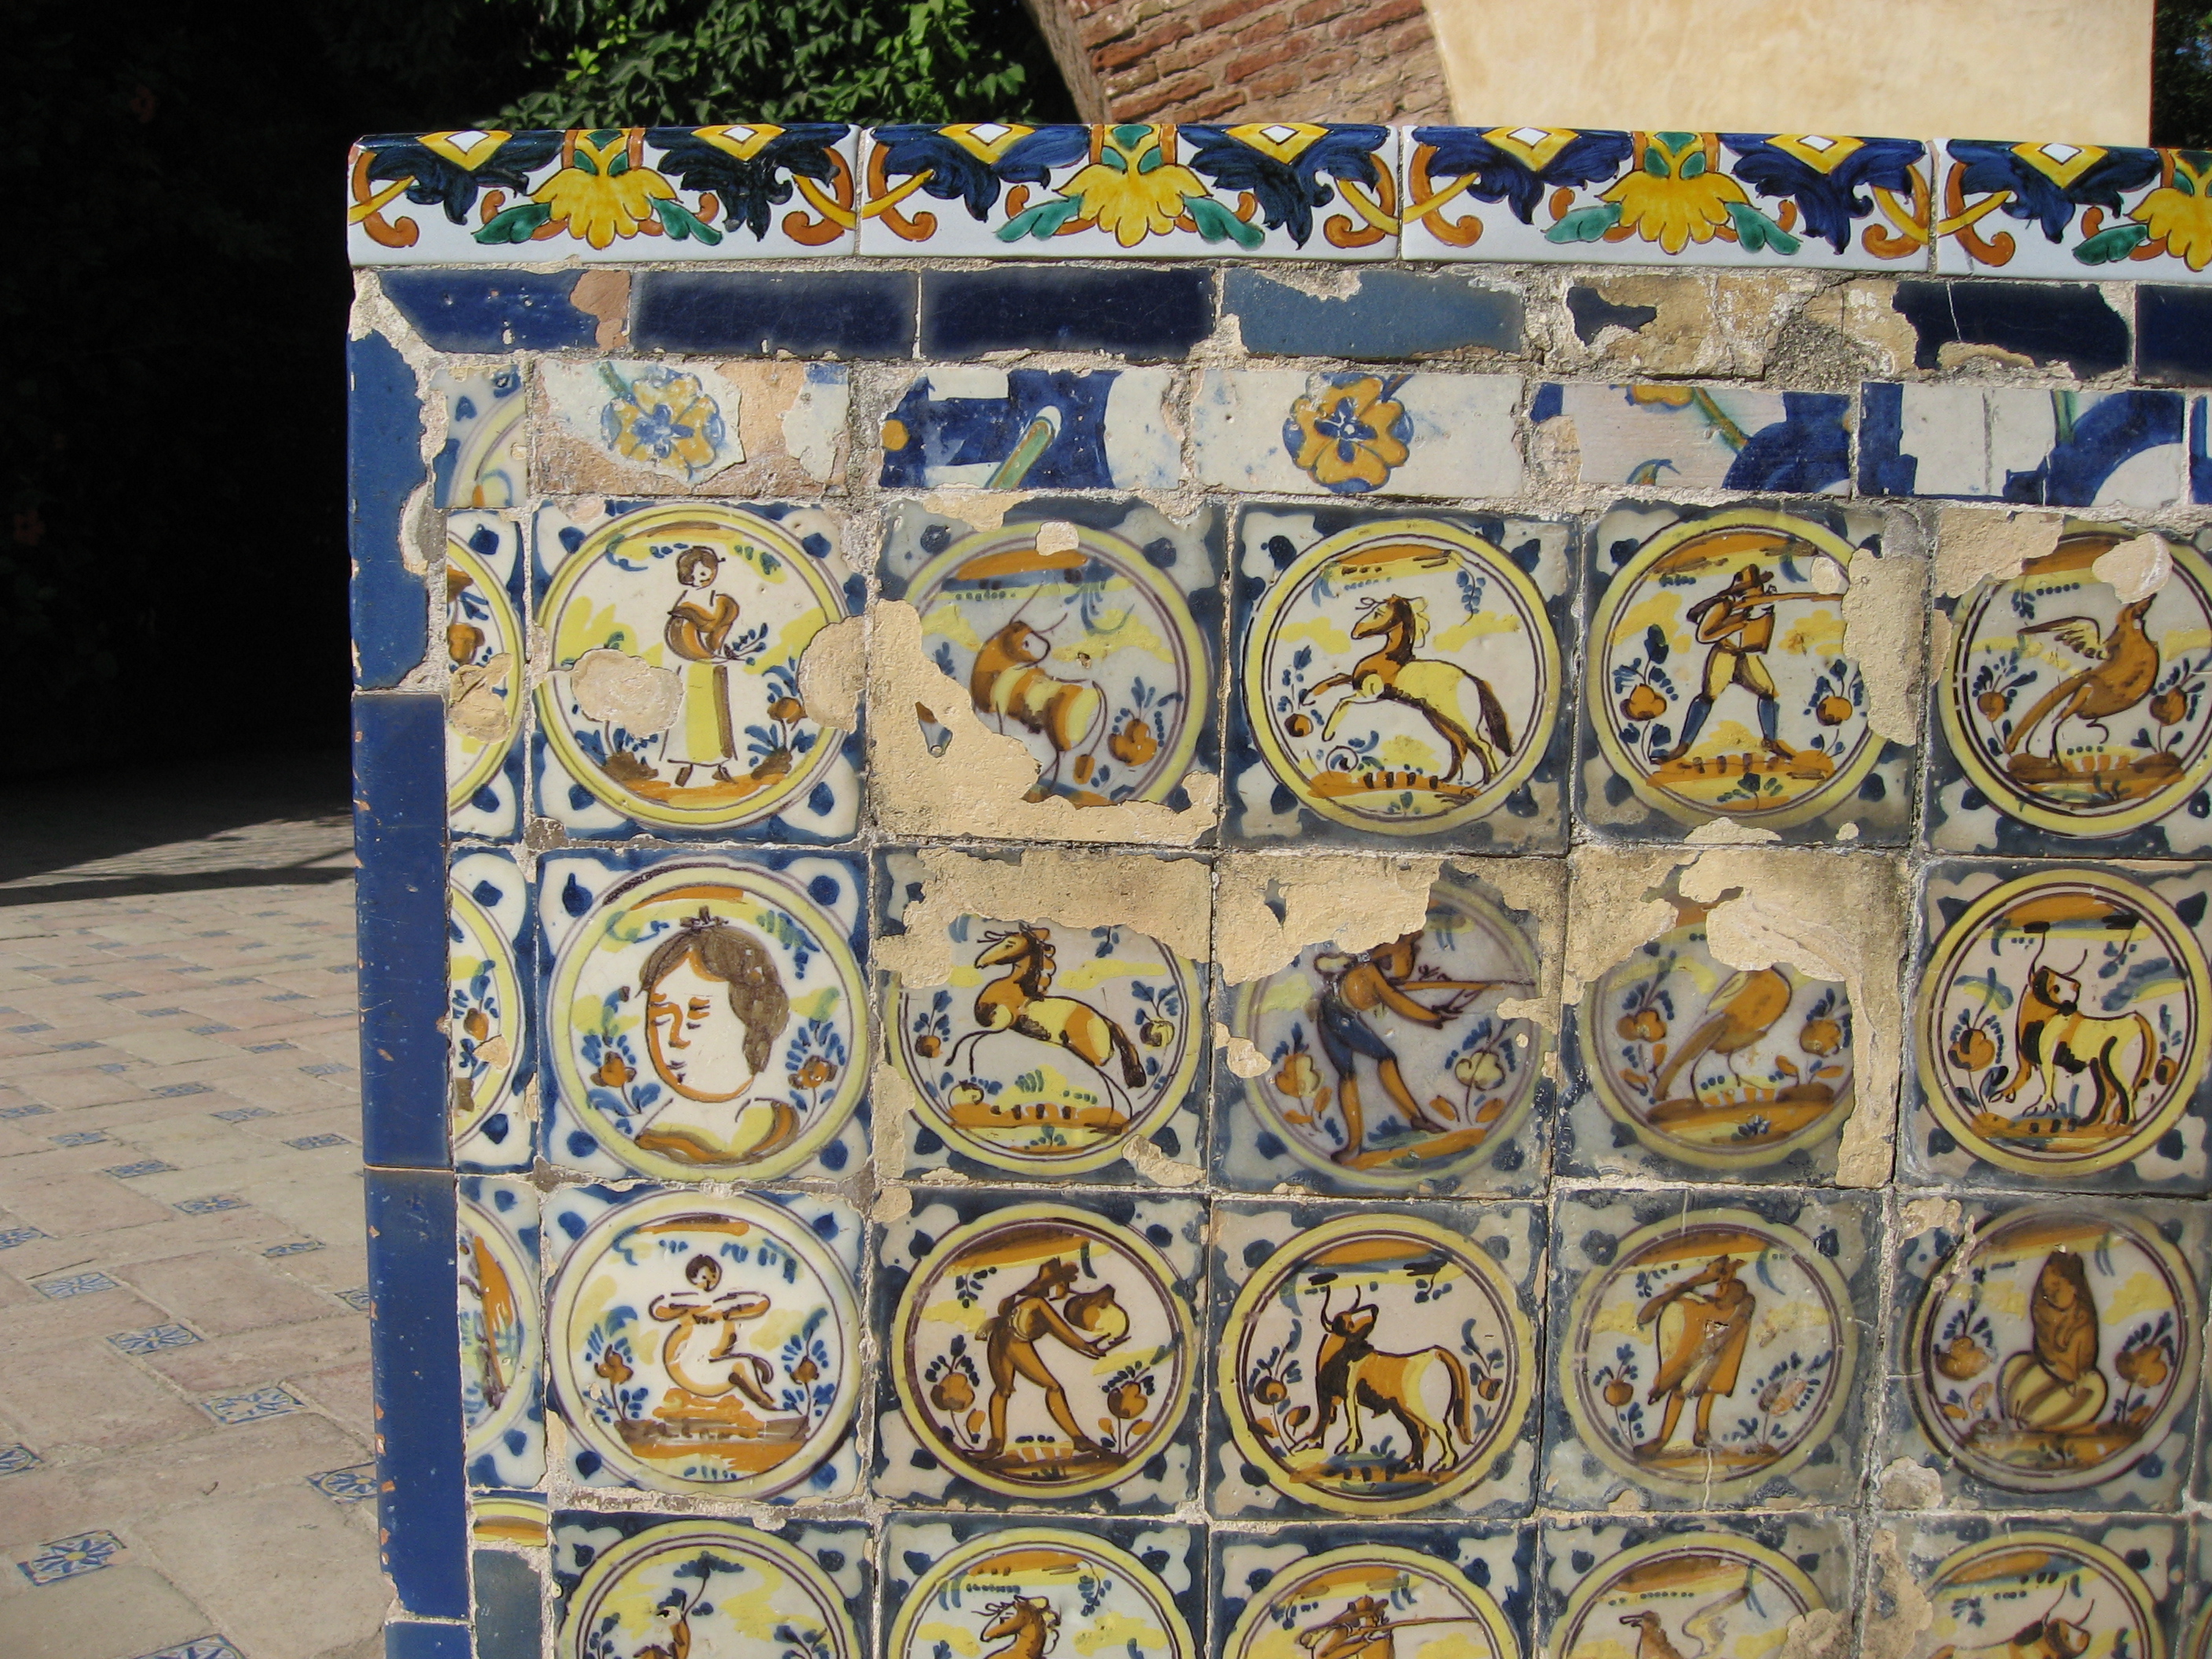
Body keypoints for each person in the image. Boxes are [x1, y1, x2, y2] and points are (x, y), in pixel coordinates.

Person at [632, 910, 800, 1166]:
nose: (676, 1037)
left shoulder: (780, 1121)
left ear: (757, 1013)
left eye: (696, 1015)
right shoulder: (658, 1141)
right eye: (660, 1019)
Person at [979, 1258, 1125, 1461]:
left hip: (999, 1338)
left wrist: (1086, 1347)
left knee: (1002, 1391)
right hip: (1013, 1341)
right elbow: (1062, 1332)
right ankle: (1079, 1439)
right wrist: (1087, 1347)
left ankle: (995, 1445)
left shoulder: (1023, 1300)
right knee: (1053, 1387)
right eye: (1063, 1284)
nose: (1065, 1289)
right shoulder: (1038, 1305)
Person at [1658, 564, 1791, 764]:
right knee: (1707, 697)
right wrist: (1737, 624)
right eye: (1755, 588)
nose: (1759, 591)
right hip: (1725, 654)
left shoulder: (1760, 604)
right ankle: (1682, 747)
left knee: (1767, 691)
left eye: (1760, 587)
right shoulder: (1724, 606)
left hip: (1746, 656)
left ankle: (1771, 742)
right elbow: (1703, 635)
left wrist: (1766, 608)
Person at [1635, 1254, 1755, 1454]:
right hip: (1693, 1359)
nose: (1718, 1289)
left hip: (1711, 1360)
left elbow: (1717, 1338)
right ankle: (1663, 1438)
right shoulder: (1704, 1306)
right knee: (1680, 1392)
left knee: (1706, 1391)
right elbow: (1656, 1315)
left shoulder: (1734, 1313)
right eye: (1720, 1286)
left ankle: (1701, 1432)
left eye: (1723, 1287)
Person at [665, 546, 745, 786]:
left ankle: (719, 766)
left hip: (714, 667)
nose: (700, 580)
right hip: (692, 667)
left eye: (705, 573)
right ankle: (686, 766)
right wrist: (706, 654)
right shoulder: (687, 601)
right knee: (691, 714)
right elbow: (680, 635)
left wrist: (723, 651)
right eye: (694, 575)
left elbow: (720, 631)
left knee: (718, 714)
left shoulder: (719, 600)